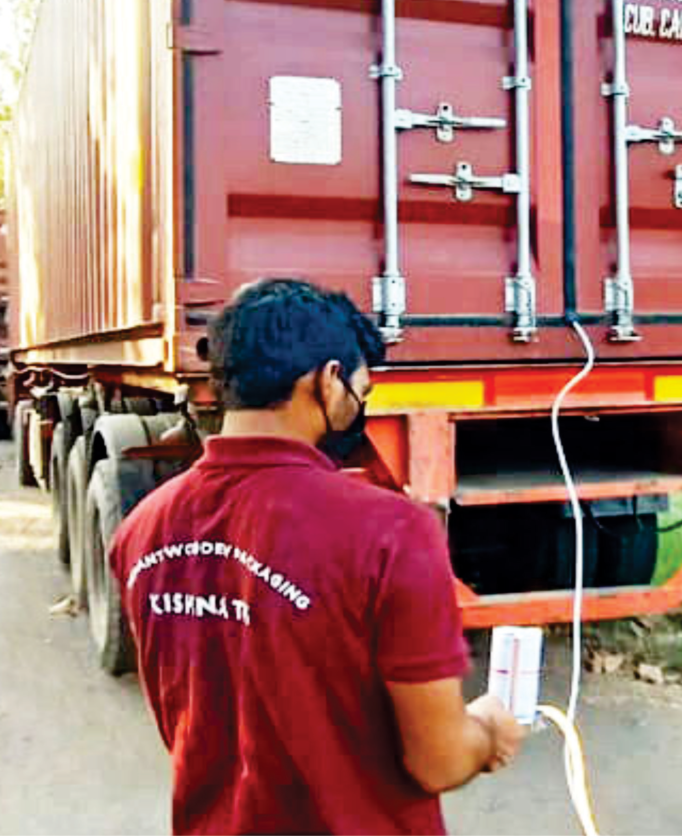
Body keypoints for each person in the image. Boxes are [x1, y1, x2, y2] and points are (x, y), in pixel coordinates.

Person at [108, 278, 526, 835]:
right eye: (361, 391)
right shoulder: (391, 532)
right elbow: (439, 760)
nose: (358, 407)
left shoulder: (141, 531)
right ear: (328, 382)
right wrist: (487, 730)